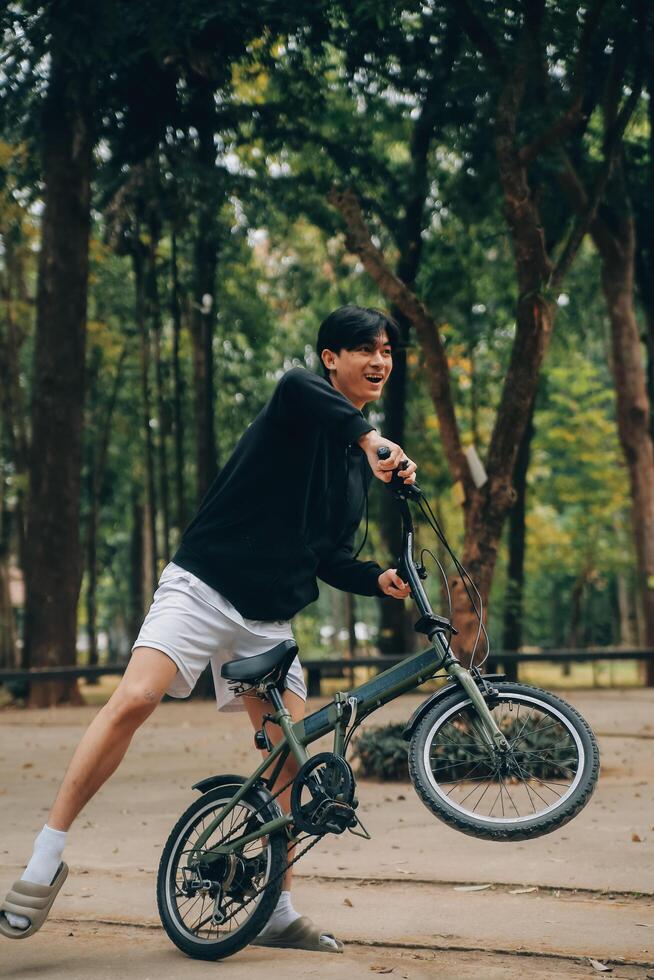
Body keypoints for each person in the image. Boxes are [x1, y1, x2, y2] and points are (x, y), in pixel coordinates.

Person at [0, 304, 416, 952]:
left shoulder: (354, 469)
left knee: (288, 756)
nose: (381, 360)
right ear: (332, 357)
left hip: (268, 618)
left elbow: (330, 556)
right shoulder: (299, 402)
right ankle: (43, 859)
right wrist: (368, 437)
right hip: (203, 585)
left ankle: (276, 908)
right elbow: (295, 386)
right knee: (134, 698)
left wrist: (377, 579)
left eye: (387, 350)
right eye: (366, 348)